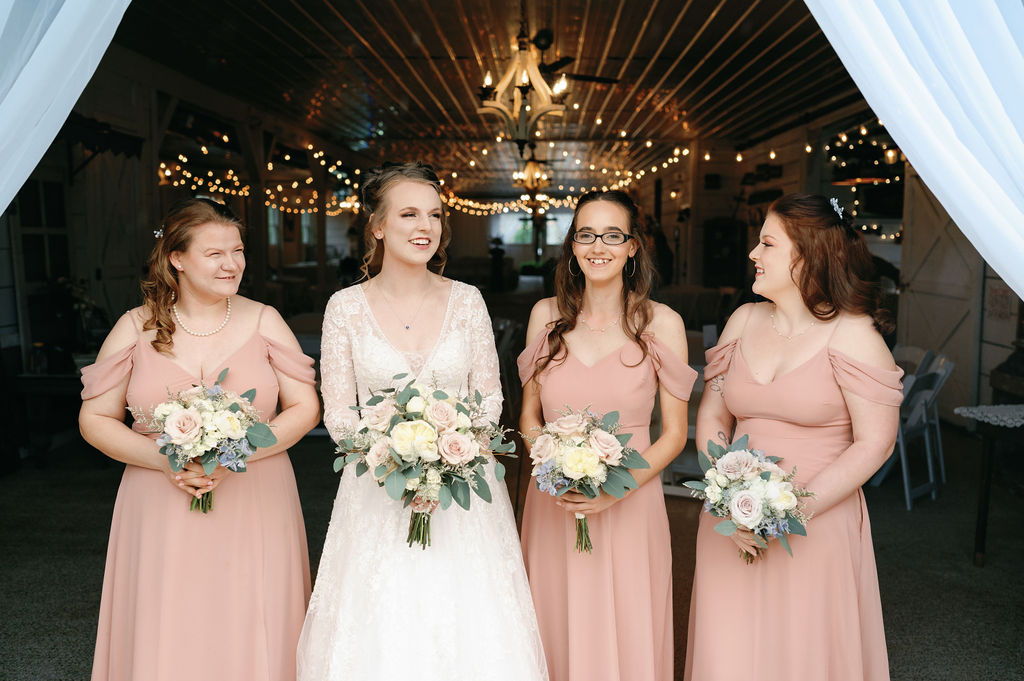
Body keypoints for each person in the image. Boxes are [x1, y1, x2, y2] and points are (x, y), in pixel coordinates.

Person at [297, 162, 547, 680]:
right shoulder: (344, 308)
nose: (424, 226)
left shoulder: (467, 300)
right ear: (378, 226)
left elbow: (488, 400)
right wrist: (394, 461)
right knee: (382, 622)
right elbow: (340, 411)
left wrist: (447, 461)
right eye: (409, 213)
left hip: (463, 492)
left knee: (468, 624)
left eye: (434, 215)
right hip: (374, 491)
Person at [78, 198, 320, 681]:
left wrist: (235, 453)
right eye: (215, 254)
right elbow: (95, 418)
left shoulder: (264, 319)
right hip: (159, 499)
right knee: (171, 618)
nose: (232, 264)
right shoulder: (135, 325)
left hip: (255, 493)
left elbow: (306, 407)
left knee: (252, 611)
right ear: (177, 258)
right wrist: (166, 460)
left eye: (238, 250)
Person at [685, 194, 902, 681]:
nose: (752, 255)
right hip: (732, 522)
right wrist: (727, 497)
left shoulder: (855, 334)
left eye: (766, 243)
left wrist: (786, 512)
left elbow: (876, 443)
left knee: (800, 654)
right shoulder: (742, 320)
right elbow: (713, 413)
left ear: (807, 254)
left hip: (815, 525)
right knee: (730, 650)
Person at [517, 190, 696, 681]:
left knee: (626, 621)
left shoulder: (664, 323)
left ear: (633, 246)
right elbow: (529, 416)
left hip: (632, 501)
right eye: (586, 235)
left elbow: (675, 434)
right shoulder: (544, 316)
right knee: (554, 614)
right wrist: (554, 465)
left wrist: (612, 488)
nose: (599, 247)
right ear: (572, 246)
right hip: (554, 498)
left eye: (612, 235)